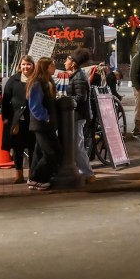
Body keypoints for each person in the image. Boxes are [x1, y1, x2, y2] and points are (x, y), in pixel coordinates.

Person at [57, 48, 97, 184]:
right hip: (75, 115)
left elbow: (81, 97)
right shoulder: (75, 75)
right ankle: (83, 171)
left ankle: (88, 172)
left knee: (77, 144)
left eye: (67, 60)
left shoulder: (79, 76)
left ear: (73, 63)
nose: (65, 62)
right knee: (76, 143)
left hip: (78, 115)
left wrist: (64, 98)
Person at [25, 57, 60, 190]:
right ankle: (36, 178)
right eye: (52, 65)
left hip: (45, 124)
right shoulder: (37, 82)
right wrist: (45, 117)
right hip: (41, 124)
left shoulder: (46, 81)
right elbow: (34, 105)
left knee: (39, 152)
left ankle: (35, 178)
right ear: (45, 67)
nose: (54, 67)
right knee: (51, 152)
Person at [0, 55, 34, 184]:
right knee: (17, 147)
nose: (26, 67)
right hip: (17, 119)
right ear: (20, 66)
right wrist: (6, 117)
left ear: (33, 65)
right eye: (24, 64)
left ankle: (32, 173)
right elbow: (6, 100)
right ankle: (19, 173)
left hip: (33, 119)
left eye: (28, 64)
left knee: (33, 147)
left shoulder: (37, 79)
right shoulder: (13, 80)